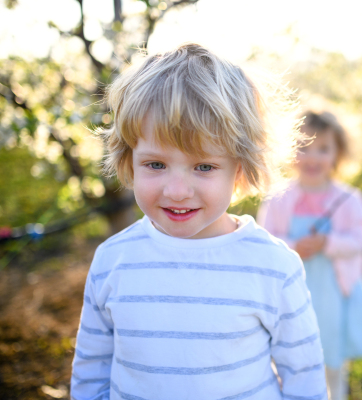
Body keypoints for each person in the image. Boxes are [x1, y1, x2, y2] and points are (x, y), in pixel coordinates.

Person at [70, 44, 327, 400]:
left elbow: (304, 379)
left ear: (239, 170)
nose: (176, 191)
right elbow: (91, 372)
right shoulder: (112, 261)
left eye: (203, 166)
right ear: (130, 161)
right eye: (156, 165)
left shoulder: (273, 267)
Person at [258, 111, 362, 400]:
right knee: (289, 357)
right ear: (288, 149)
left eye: (323, 149)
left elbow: (360, 238)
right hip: (292, 290)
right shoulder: (278, 199)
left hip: (332, 291)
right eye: (303, 147)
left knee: (331, 357)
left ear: (338, 153)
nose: (312, 158)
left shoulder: (348, 198)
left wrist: (329, 242)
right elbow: (265, 240)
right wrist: (292, 246)